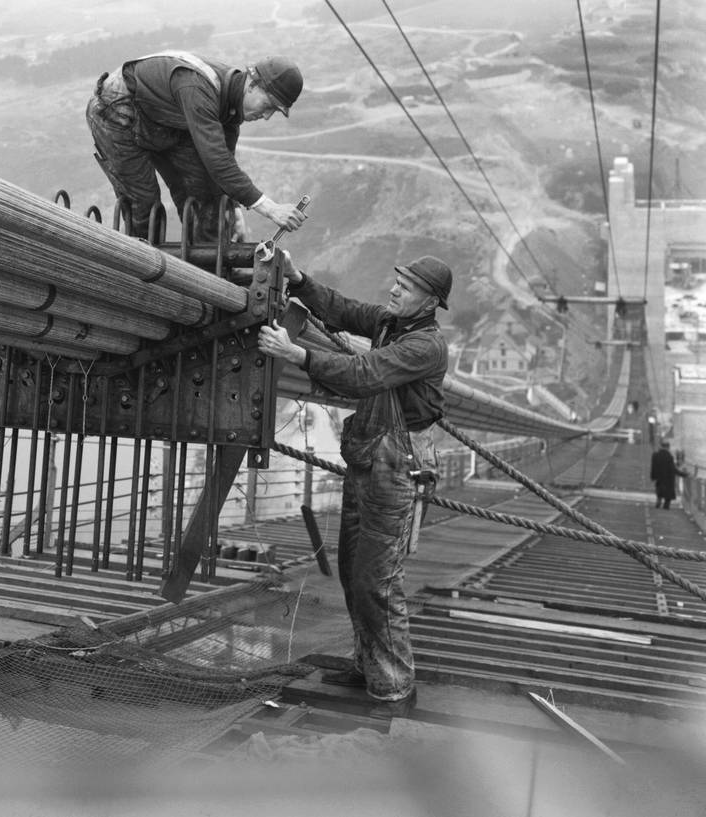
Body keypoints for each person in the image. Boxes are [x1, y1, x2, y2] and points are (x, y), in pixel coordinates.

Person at [257, 255, 452, 718]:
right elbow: (342, 309)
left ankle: (393, 684)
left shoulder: (426, 345)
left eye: (406, 286)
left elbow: (365, 374)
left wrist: (296, 354)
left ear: (430, 302)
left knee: (377, 580)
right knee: (352, 569)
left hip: (399, 466)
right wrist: (298, 279)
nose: (395, 290)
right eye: (397, 280)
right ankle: (368, 664)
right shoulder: (391, 323)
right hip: (369, 457)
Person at [86, 52, 308, 243]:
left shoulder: (230, 108)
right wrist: (271, 209)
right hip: (117, 116)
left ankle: (208, 271)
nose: (267, 116)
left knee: (207, 196)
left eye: (274, 111)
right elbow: (217, 161)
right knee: (144, 204)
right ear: (252, 85)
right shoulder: (197, 88)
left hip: (165, 121)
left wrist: (233, 210)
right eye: (268, 105)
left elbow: (223, 166)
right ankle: (142, 265)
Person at [650, 439, 688, 509]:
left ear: (661, 446)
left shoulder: (655, 455)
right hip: (668, 479)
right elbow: (673, 469)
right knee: (668, 494)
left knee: (659, 491)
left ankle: (659, 500)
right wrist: (684, 474)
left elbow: (653, 467)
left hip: (659, 478)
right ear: (668, 447)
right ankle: (666, 506)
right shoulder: (669, 456)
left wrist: (653, 476)